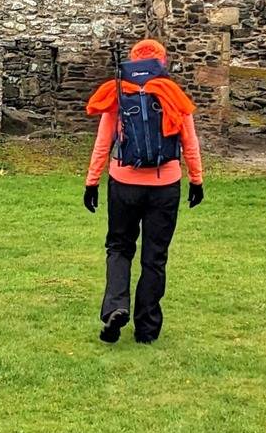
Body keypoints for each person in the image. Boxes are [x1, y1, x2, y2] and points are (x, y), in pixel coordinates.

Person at [83, 37, 204, 344]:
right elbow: (190, 143)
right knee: (155, 257)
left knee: (120, 247)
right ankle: (147, 329)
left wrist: (92, 181)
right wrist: (197, 180)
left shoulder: (119, 94)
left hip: (124, 181)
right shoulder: (174, 95)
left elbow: (103, 143)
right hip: (165, 185)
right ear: (161, 63)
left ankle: (116, 306)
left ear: (134, 61)